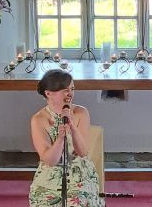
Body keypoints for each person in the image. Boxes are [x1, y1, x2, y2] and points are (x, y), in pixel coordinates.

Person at [29, 69, 104, 207]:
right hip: (50, 175)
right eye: (64, 90)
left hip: (79, 172)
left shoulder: (81, 113)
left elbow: (82, 152)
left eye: (72, 89)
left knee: (76, 203)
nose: (70, 94)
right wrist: (60, 137)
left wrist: (72, 128)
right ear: (48, 93)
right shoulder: (38, 119)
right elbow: (50, 160)